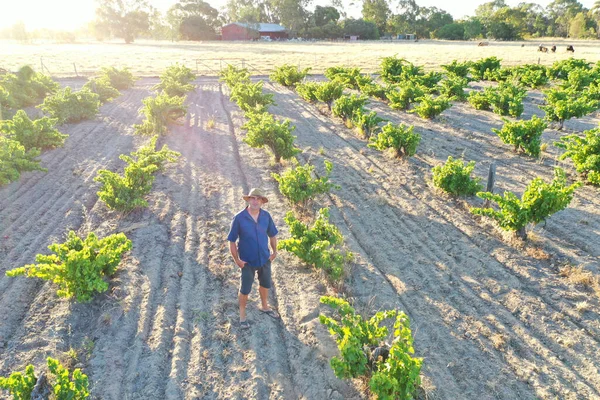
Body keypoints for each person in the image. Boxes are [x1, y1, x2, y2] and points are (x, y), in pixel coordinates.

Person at [227, 188, 280, 330]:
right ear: (248, 200)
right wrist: (237, 260)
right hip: (247, 261)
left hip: (264, 258)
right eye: (253, 198)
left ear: (262, 201)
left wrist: (274, 251)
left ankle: (264, 306)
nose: (255, 201)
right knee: (245, 289)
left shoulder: (266, 216)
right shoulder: (239, 218)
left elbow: (272, 235)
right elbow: (232, 241)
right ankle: (242, 316)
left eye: (258, 198)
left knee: (265, 284)